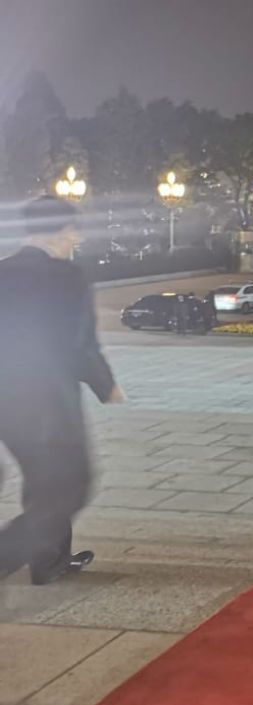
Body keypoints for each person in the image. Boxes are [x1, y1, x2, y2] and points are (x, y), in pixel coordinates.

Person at [0, 196, 125, 585]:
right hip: (47, 398)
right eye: (74, 229)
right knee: (72, 485)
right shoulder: (67, 276)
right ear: (62, 230)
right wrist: (106, 385)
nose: (77, 237)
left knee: (43, 478)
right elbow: (80, 343)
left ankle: (49, 562)